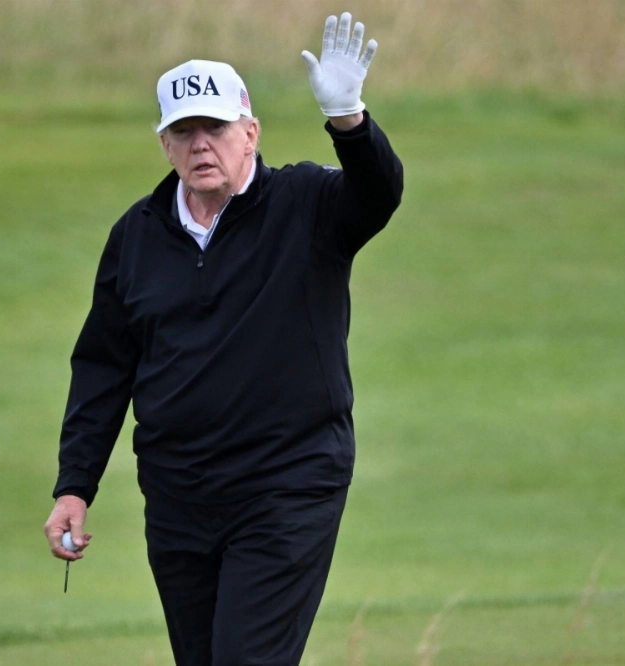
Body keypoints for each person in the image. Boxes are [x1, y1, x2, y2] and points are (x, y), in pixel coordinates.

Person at [44, 12, 403, 666]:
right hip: (178, 495)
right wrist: (75, 486)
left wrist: (349, 121)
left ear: (250, 133)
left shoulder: (307, 203)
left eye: (215, 127)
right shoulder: (137, 236)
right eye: (184, 132)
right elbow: (103, 368)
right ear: (165, 145)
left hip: (286, 484)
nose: (201, 145)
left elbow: (377, 195)